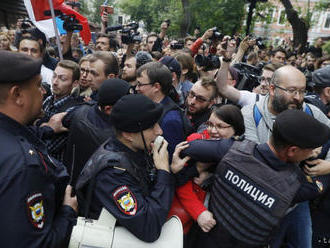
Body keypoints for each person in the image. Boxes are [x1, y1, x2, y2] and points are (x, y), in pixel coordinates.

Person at [180, 109, 330, 248]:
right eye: (310, 149)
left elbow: (187, 148)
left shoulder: (232, 150)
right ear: (292, 150)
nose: (313, 152)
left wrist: (199, 169)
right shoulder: (296, 185)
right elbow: (319, 185)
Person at [76, 94, 189, 242]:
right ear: (128, 134)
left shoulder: (135, 150)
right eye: (152, 127)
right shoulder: (112, 173)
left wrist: (171, 172)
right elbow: (149, 228)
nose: (159, 131)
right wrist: (163, 172)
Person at [241, 65, 330, 248]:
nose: (298, 97)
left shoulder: (310, 112)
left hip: (296, 204)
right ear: (272, 89)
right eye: (291, 91)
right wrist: (299, 154)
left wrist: (328, 164)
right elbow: (254, 162)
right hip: (262, 201)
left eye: (302, 91)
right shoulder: (251, 114)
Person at [0, 50, 77, 247]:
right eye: (37, 85)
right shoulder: (23, 165)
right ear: (17, 94)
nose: (43, 91)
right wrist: (68, 212)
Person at [62, 78, 131, 186]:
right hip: (90, 188)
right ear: (108, 109)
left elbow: (65, 120)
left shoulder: (80, 112)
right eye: (126, 104)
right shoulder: (112, 137)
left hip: (70, 180)